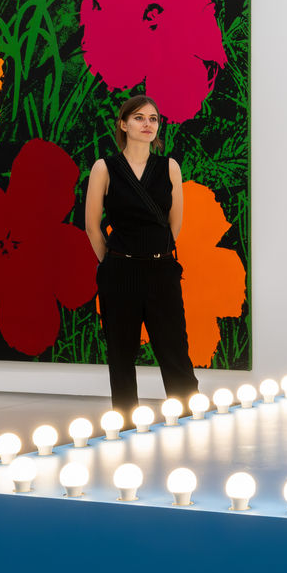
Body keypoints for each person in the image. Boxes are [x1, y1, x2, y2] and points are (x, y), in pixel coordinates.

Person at [83, 94, 200, 419]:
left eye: (153, 118)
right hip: (120, 272)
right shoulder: (104, 168)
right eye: (138, 118)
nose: (147, 124)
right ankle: (124, 426)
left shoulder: (169, 167)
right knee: (121, 355)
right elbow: (92, 226)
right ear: (123, 124)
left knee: (175, 351)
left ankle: (190, 419)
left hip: (162, 270)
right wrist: (114, 262)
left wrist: (155, 254)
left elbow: (175, 225)